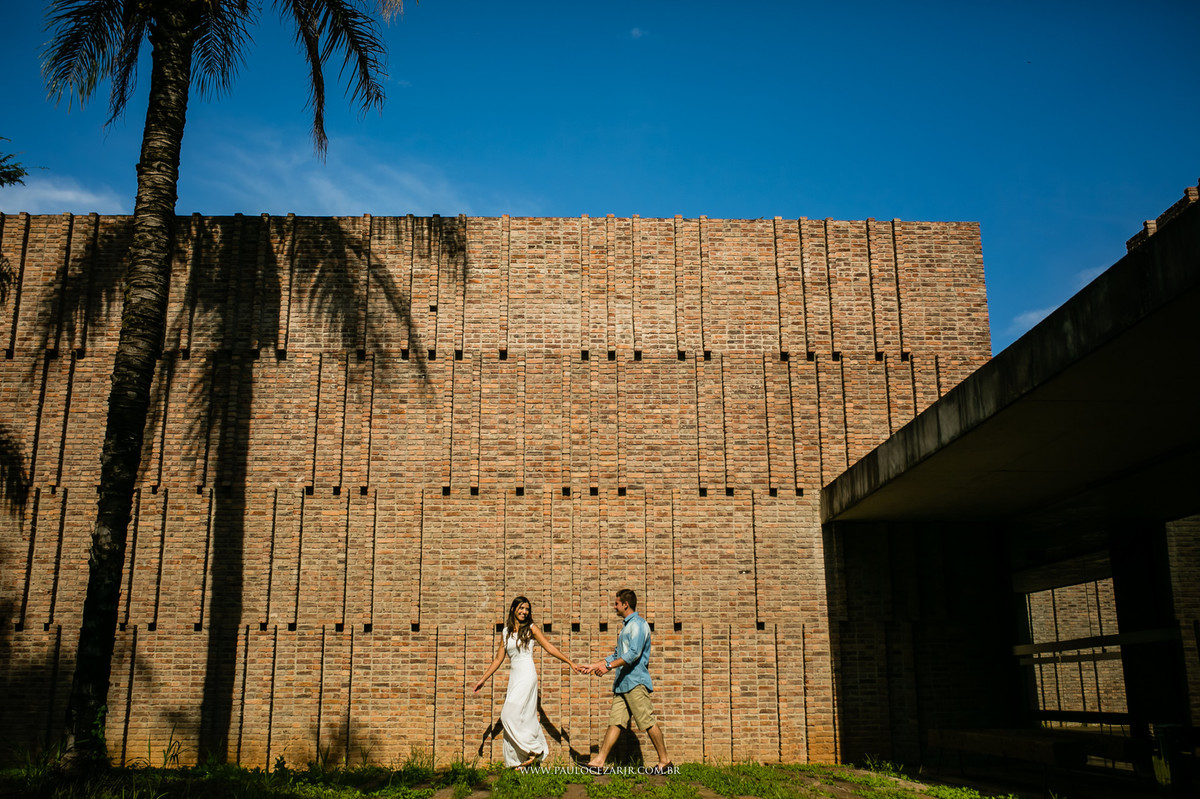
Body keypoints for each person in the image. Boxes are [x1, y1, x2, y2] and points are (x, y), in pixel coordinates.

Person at [474, 595, 579, 769]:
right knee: (520, 718)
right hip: (515, 678)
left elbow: (549, 647)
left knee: (507, 715)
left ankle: (535, 748)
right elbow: (498, 659)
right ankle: (519, 763)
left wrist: (570, 662)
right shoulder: (506, 632)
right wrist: (483, 679)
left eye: (527, 609)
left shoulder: (531, 628)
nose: (524, 612)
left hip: (527, 675)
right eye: (521, 608)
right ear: (513, 609)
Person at [581, 588, 672, 774]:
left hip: (635, 682)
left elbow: (633, 654)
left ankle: (665, 762)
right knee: (616, 722)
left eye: (616, 603)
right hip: (623, 683)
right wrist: (594, 665)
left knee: (647, 721)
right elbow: (617, 655)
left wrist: (608, 666)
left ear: (625, 604)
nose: (614, 607)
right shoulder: (626, 627)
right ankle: (599, 762)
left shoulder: (638, 625)